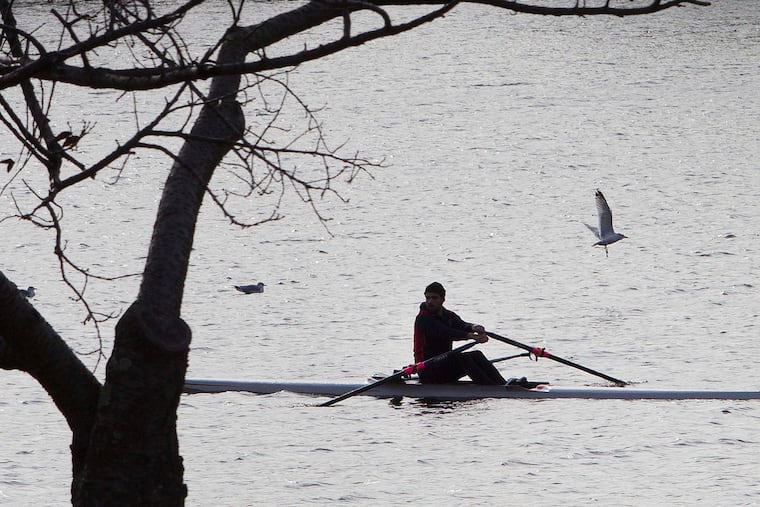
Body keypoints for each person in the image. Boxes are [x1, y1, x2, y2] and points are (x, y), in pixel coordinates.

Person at [413, 282, 506, 385]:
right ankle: (490, 388)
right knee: (462, 358)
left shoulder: (448, 315)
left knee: (476, 355)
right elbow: (445, 332)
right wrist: (471, 336)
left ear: (442, 300)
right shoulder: (423, 318)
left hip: (443, 365)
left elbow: (462, 325)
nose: (430, 301)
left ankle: (502, 384)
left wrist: (473, 327)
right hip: (427, 370)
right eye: (428, 298)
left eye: (434, 298)